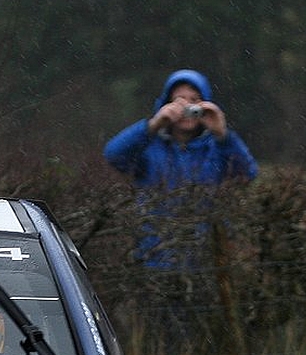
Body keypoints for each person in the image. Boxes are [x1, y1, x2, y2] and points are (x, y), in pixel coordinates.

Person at [102, 68, 258, 269]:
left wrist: (223, 135)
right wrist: (153, 125)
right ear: (166, 104)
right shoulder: (148, 147)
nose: (187, 108)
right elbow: (113, 155)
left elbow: (247, 174)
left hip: (207, 257)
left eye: (195, 100)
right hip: (154, 254)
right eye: (179, 101)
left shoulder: (217, 148)